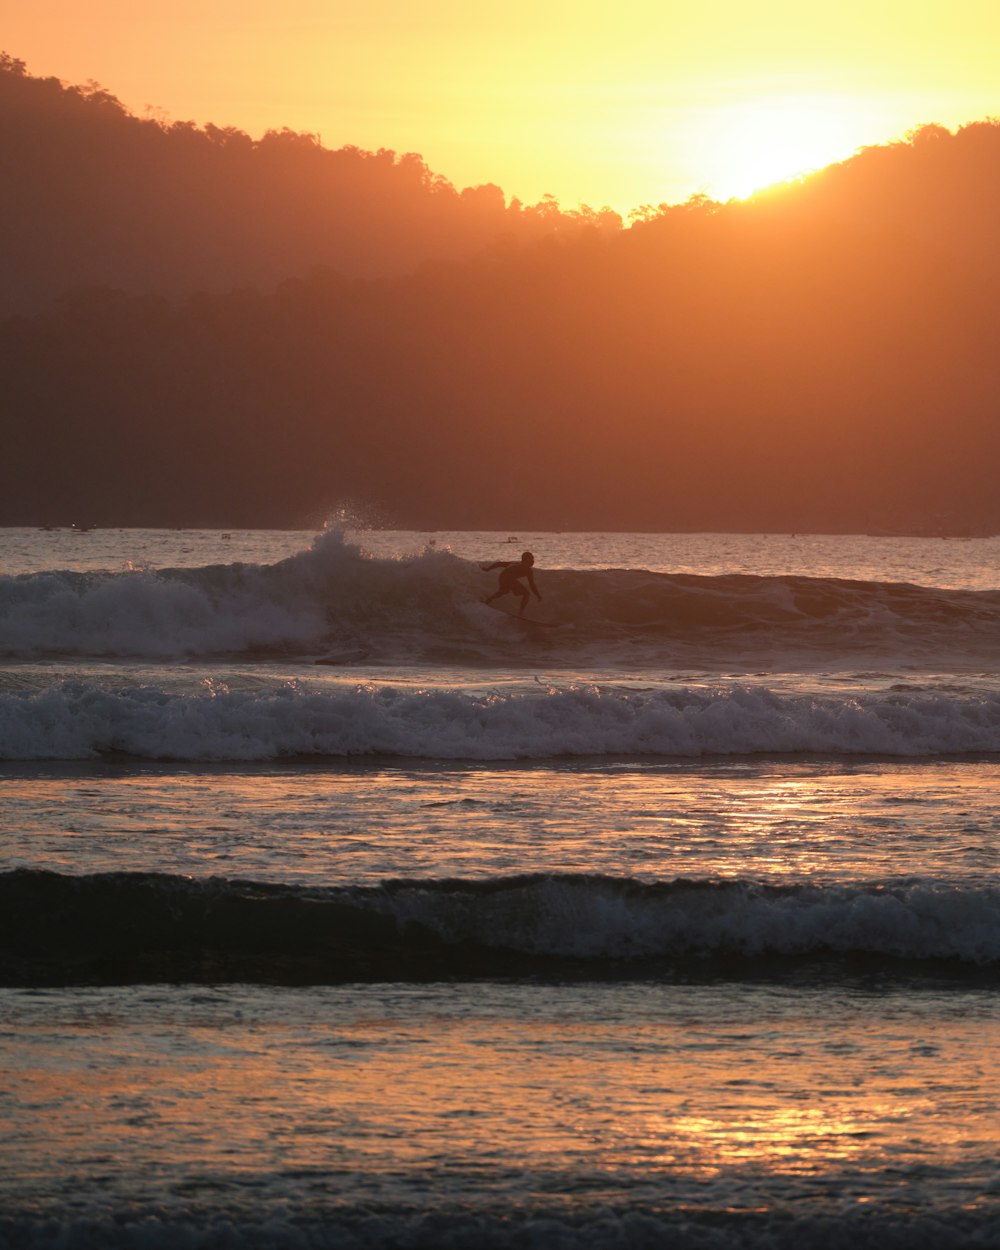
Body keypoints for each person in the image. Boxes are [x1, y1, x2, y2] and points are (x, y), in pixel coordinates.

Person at [481, 551, 541, 616]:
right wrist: (538, 595)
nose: (533, 561)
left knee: (504, 591)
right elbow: (532, 585)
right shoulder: (528, 569)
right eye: (531, 559)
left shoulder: (515, 563)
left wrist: (488, 569)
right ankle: (521, 613)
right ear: (526, 559)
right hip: (509, 578)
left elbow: (499, 564)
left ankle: (488, 600)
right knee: (526, 594)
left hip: (502, 576)